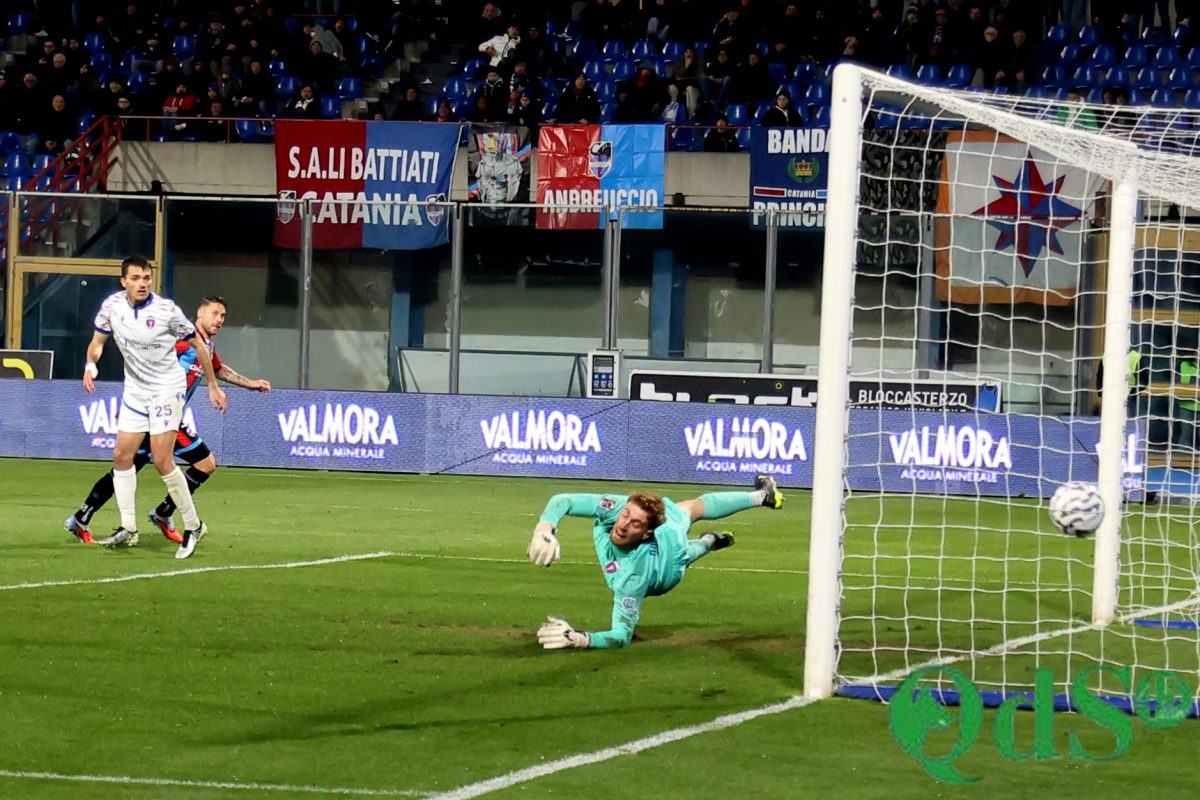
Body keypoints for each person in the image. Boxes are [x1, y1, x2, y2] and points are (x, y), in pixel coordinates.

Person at [66, 295, 270, 546]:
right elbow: (149, 363)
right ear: (200, 313)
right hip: (160, 414)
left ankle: (85, 517)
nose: (219, 320)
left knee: (129, 465)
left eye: (223, 316)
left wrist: (250, 384)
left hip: (164, 415)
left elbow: (216, 369)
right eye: (215, 314)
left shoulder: (206, 347)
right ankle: (161, 515)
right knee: (201, 463)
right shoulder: (183, 342)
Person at [528, 475, 785, 650]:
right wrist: (544, 528)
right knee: (690, 507)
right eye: (626, 515)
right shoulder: (618, 507)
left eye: (635, 523)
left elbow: (621, 636)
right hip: (667, 530)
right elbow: (563, 500)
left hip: (669, 566)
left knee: (689, 552)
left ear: (647, 533)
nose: (623, 524)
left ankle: (710, 542)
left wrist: (580, 639)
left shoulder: (632, 578)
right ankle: (762, 497)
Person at [81, 256, 228, 559]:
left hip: (165, 390)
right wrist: (90, 365)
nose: (142, 283)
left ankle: (192, 526)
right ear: (124, 282)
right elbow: (98, 341)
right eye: (135, 278)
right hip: (135, 390)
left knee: (162, 460)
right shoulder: (112, 306)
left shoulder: (166, 310)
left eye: (146, 278)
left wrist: (212, 385)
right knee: (122, 455)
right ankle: (128, 528)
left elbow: (199, 346)